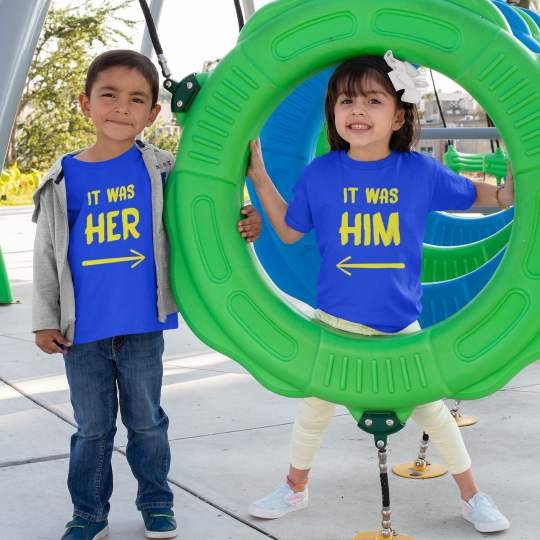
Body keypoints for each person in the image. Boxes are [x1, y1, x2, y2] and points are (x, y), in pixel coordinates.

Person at [245, 51, 513, 534]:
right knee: (313, 411)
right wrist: (259, 178)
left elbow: (476, 196)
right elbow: (288, 231)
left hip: (399, 327)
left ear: (400, 113)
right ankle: (294, 486)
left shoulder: (417, 172)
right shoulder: (322, 173)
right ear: (332, 113)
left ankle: (473, 495)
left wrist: (507, 192)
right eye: (346, 100)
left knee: (433, 413)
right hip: (335, 324)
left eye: (373, 99)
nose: (358, 111)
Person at [32, 49, 261, 540]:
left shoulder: (163, 169)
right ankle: (89, 514)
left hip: (140, 327)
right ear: (85, 104)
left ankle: (157, 502)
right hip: (82, 332)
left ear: (153, 113)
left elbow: (207, 202)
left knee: (147, 423)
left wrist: (246, 214)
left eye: (137, 99)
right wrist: (44, 318)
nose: (121, 107)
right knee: (92, 430)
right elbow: (48, 253)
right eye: (108, 95)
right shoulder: (62, 178)